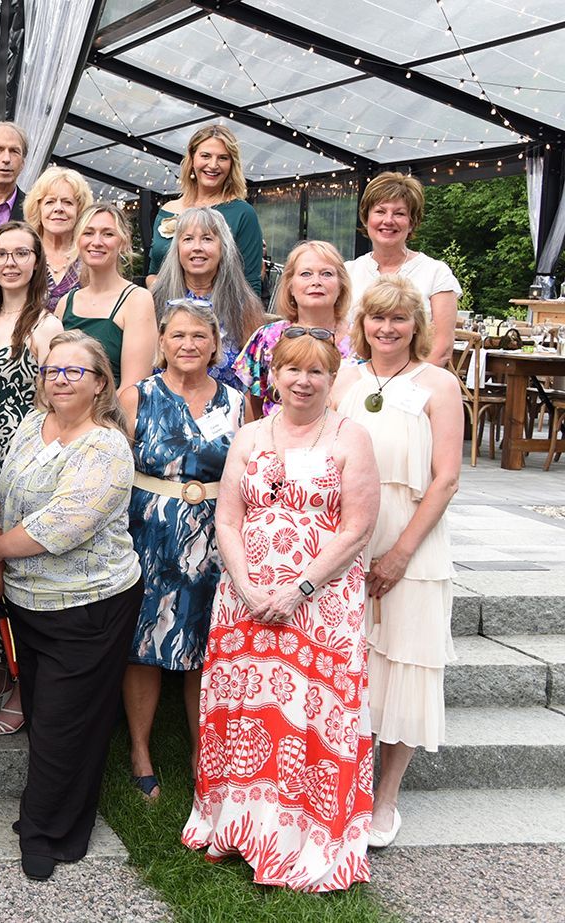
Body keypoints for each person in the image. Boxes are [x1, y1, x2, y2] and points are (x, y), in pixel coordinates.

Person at [182, 329, 380, 892]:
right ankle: (234, 823)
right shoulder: (248, 434)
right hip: (246, 599)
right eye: (292, 369)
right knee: (248, 713)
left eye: (316, 371)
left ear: (332, 377)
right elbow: (226, 518)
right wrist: (244, 583)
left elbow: (358, 526)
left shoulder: (351, 436)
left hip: (319, 603)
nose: (302, 380)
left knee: (307, 717)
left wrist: (301, 589)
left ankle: (300, 840)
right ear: (273, 375)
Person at [0, 331, 143, 881]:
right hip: (30, 603)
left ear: (101, 383)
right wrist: (0, 566)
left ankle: (47, 832)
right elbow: (3, 495)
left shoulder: (106, 446)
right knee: (52, 717)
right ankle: (54, 813)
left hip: (89, 605)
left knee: (63, 722)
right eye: (53, 369)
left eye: (75, 371)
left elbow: (65, 523)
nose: (61, 378)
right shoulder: (34, 424)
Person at [332, 276, 462, 849]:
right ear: (362, 325)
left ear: (416, 326)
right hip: (347, 538)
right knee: (352, 660)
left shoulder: (438, 384)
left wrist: (402, 551)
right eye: (377, 319)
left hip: (411, 539)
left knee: (405, 659)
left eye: (399, 319)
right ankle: (347, 785)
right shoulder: (344, 378)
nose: (387, 329)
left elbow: (447, 477)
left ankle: (386, 799)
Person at [118, 300, 245, 802]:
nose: (188, 345)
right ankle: (140, 752)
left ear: (214, 344)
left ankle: (202, 752)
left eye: (199, 336)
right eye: (178, 336)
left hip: (215, 538)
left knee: (202, 646)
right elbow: (115, 467)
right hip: (147, 532)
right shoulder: (137, 396)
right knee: (143, 645)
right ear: (162, 343)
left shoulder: (236, 402)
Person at [0, 221, 63, 736]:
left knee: (20, 575)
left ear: (35, 262)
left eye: (21, 253)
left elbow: (56, 398)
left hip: (22, 464)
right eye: (1, 253)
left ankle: (25, 688)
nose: (10, 262)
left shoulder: (44, 327)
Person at [345, 172, 461, 367]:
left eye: (399, 213)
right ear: (366, 218)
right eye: (380, 211)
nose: (388, 220)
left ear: (412, 222)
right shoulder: (347, 272)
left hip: (416, 388)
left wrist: (403, 387)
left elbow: (442, 347)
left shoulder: (436, 273)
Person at [150, 205, 264, 392]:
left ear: (223, 247)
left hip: (227, 415)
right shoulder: (155, 301)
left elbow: (256, 379)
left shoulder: (244, 305)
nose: (197, 248)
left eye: (207, 239)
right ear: (177, 248)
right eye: (188, 239)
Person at [237, 241, 355, 417]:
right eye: (306, 274)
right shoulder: (266, 338)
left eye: (327, 274)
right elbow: (252, 407)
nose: (316, 282)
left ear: (341, 285)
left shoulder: (361, 341)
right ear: (290, 285)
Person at [146, 124, 264, 296]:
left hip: (221, 318)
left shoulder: (243, 214)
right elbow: (152, 273)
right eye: (205, 156)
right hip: (166, 315)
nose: (213, 165)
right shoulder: (168, 210)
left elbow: (251, 284)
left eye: (223, 158)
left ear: (232, 165)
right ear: (192, 159)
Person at [55, 202, 155, 389]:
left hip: (112, 416)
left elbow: (133, 387)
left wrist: (91, 419)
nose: (97, 242)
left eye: (108, 234)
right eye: (88, 233)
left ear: (123, 242)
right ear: (78, 240)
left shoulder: (137, 300)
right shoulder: (65, 303)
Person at [22, 165, 92, 314]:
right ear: (37, 208)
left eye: (67, 202)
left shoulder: (90, 257)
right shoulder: (23, 253)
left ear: (79, 211)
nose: (58, 208)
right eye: (50, 202)